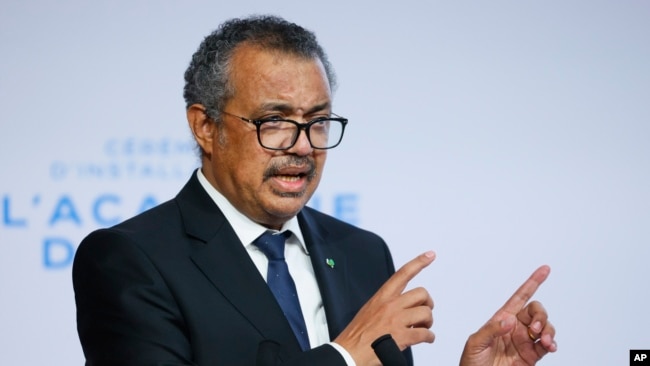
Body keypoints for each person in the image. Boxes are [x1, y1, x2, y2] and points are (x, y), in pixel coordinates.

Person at [72, 15, 557, 366]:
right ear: (205, 126)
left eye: (318, 122)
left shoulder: (362, 253)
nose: (302, 147)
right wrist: (344, 357)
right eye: (276, 121)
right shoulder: (130, 260)